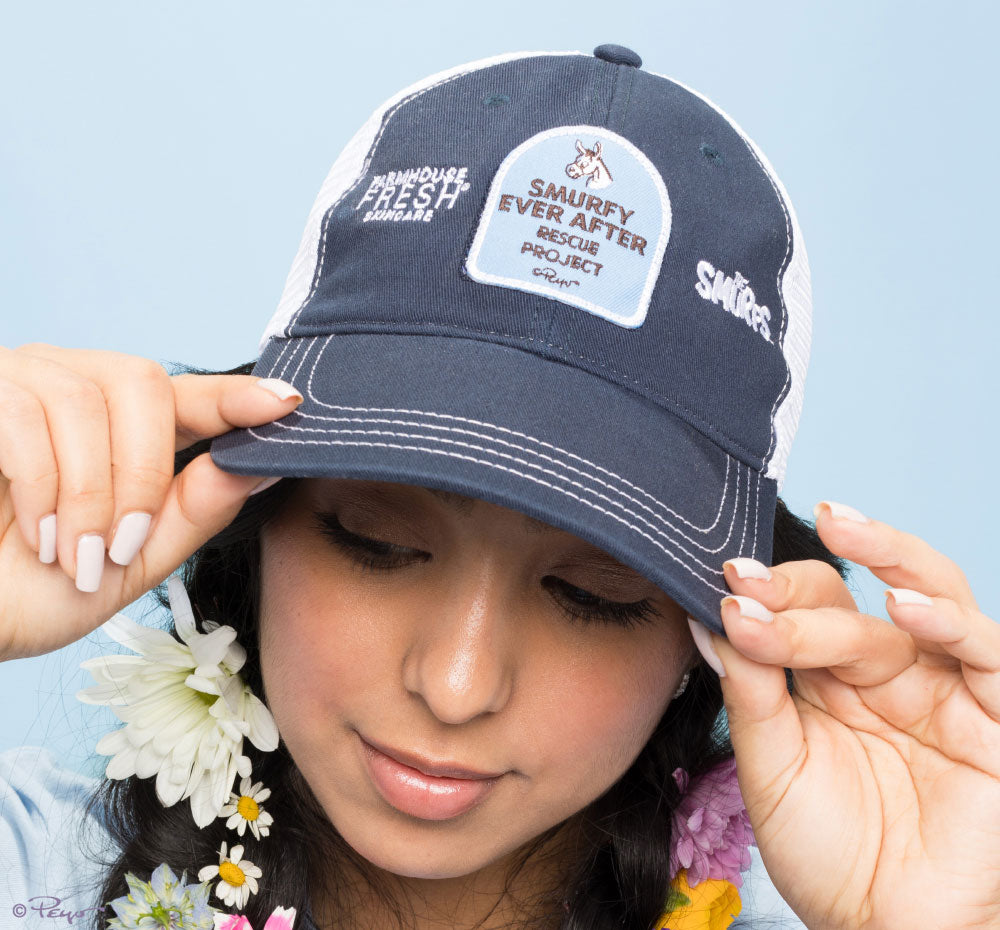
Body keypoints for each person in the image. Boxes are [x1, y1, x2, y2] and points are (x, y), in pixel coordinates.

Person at [1, 44, 998, 930]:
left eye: (593, 594)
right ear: (251, 518)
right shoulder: (33, 875)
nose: (456, 684)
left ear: (716, 643)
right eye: (375, 541)